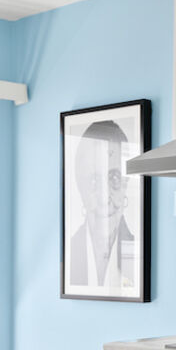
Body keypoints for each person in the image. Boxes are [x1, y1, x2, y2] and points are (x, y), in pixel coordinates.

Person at [68, 120, 135, 288]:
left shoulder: (136, 253)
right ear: (80, 187)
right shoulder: (68, 253)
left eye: (114, 178)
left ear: (126, 184)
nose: (105, 198)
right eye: (93, 181)